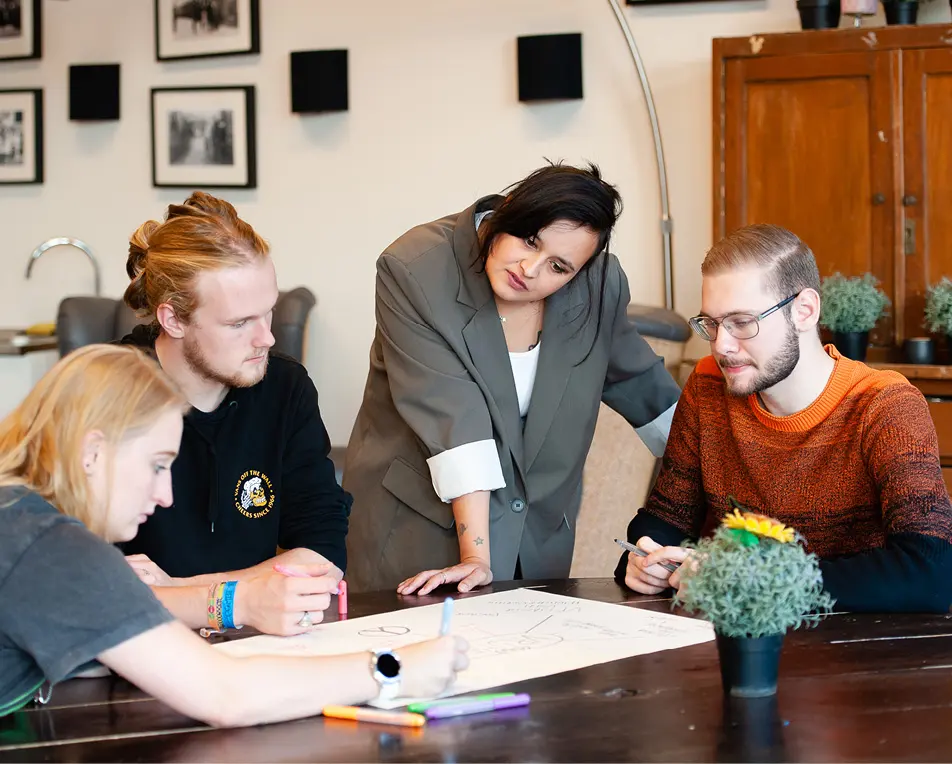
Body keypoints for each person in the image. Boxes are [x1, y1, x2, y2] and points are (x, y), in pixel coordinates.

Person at [0, 344, 466, 723]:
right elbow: (227, 694)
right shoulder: (49, 547)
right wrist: (397, 669)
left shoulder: (19, 517)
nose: (165, 494)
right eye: (158, 465)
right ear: (92, 452)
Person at [343, 162, 683, 594]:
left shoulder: (596, 285)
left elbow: (643, 385)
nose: (532, 269)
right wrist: (477, 557)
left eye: (559, 267)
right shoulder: (416, 268)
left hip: (538, 542)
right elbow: (454, 419)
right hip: (422, 534)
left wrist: (728, 474)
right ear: (508, 212)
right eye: (528, 240)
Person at [616, 224, 952, 613]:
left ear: (804, 310)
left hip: (853, 651)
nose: (721, 345)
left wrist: (752, 580)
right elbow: (665, 517)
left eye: (742, 322)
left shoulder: (884, 405)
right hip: (728, 645)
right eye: (711, 323)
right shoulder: (708, 383)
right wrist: (643, 559)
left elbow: (931, 572)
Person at [117, 191, 353, 636]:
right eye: (239, 323)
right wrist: (246, 597)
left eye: (269, 313)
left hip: (258, 643)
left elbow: (323, 554)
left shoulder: (286, 388)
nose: (265, 338)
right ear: (173, 320)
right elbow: (88, 585)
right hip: (133, 650)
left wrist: (183, 595)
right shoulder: (104, 392)